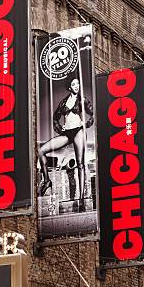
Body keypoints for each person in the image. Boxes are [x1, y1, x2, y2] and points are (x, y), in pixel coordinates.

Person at [38, 77, 93, 211]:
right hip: (67, 133)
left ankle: (81, 201)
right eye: (74, 84)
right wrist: (58, 128)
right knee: (41, 151)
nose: (76, 86)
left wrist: (85, 124)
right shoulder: (63, 102)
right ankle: (46, 181)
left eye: (78, 84)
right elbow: (55, 117)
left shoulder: (82, 99)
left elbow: (93, 115)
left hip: (79, 132)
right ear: (69, 87)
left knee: (80, 164)